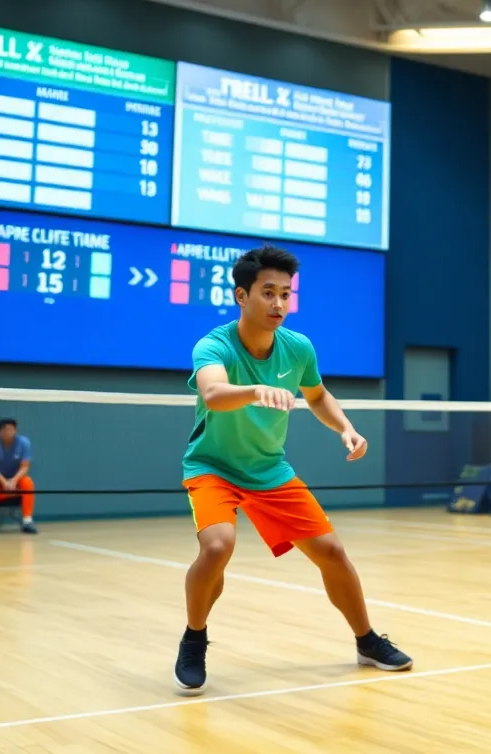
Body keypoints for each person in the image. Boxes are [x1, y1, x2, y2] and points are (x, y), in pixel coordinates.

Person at [175, 245, 411, 693]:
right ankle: (194, 637)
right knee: (217, 547)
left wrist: (345, 427)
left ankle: (366, 641)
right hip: (213, 467)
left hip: (269, 470)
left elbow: (317, 396)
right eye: (268, 293)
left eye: (286, 293)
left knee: (332, 553)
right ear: (242, 296)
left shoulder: (297, 347)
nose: (279, 303)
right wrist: (255, 390)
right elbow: (213, 393)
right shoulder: (214, 344)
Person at [0, 417, 37, 535]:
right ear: (0, 431)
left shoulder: (24, 443)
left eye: (12, 429)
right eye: (5, 430)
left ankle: (27, 520)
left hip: (15, 477)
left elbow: (25, 466)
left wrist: (13, 480)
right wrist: (3, 481)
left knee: (28, 483)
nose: (9, 432)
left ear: (16, 430)